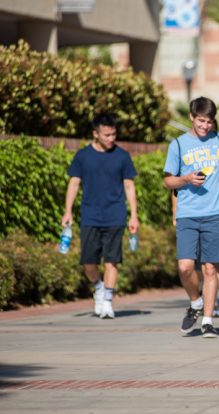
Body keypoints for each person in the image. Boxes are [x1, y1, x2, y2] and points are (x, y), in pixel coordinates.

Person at [61, 113, 139, 319]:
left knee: (111, 261)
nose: (111, 138)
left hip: (115, 215)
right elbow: (74, 183)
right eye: (106, 135)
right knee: (88, 262)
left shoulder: (122, 156)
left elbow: (129, 186)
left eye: (113, 134)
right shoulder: (82, 156)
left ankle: (107, 301)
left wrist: (134, 215)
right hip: (90, 215)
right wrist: (68, 211)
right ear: (95, 134)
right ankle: (98, 287)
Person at [163, 97, 219, 338]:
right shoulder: (178, 145)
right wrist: (186, 179)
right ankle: (195, 302)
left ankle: (208, 320)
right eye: (201, 121)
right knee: (185, 267)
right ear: (191, 117)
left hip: (214, 213)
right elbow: (168, 180)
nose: (205, 126)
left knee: (211, 269)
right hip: (188, 214)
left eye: (209, 121)